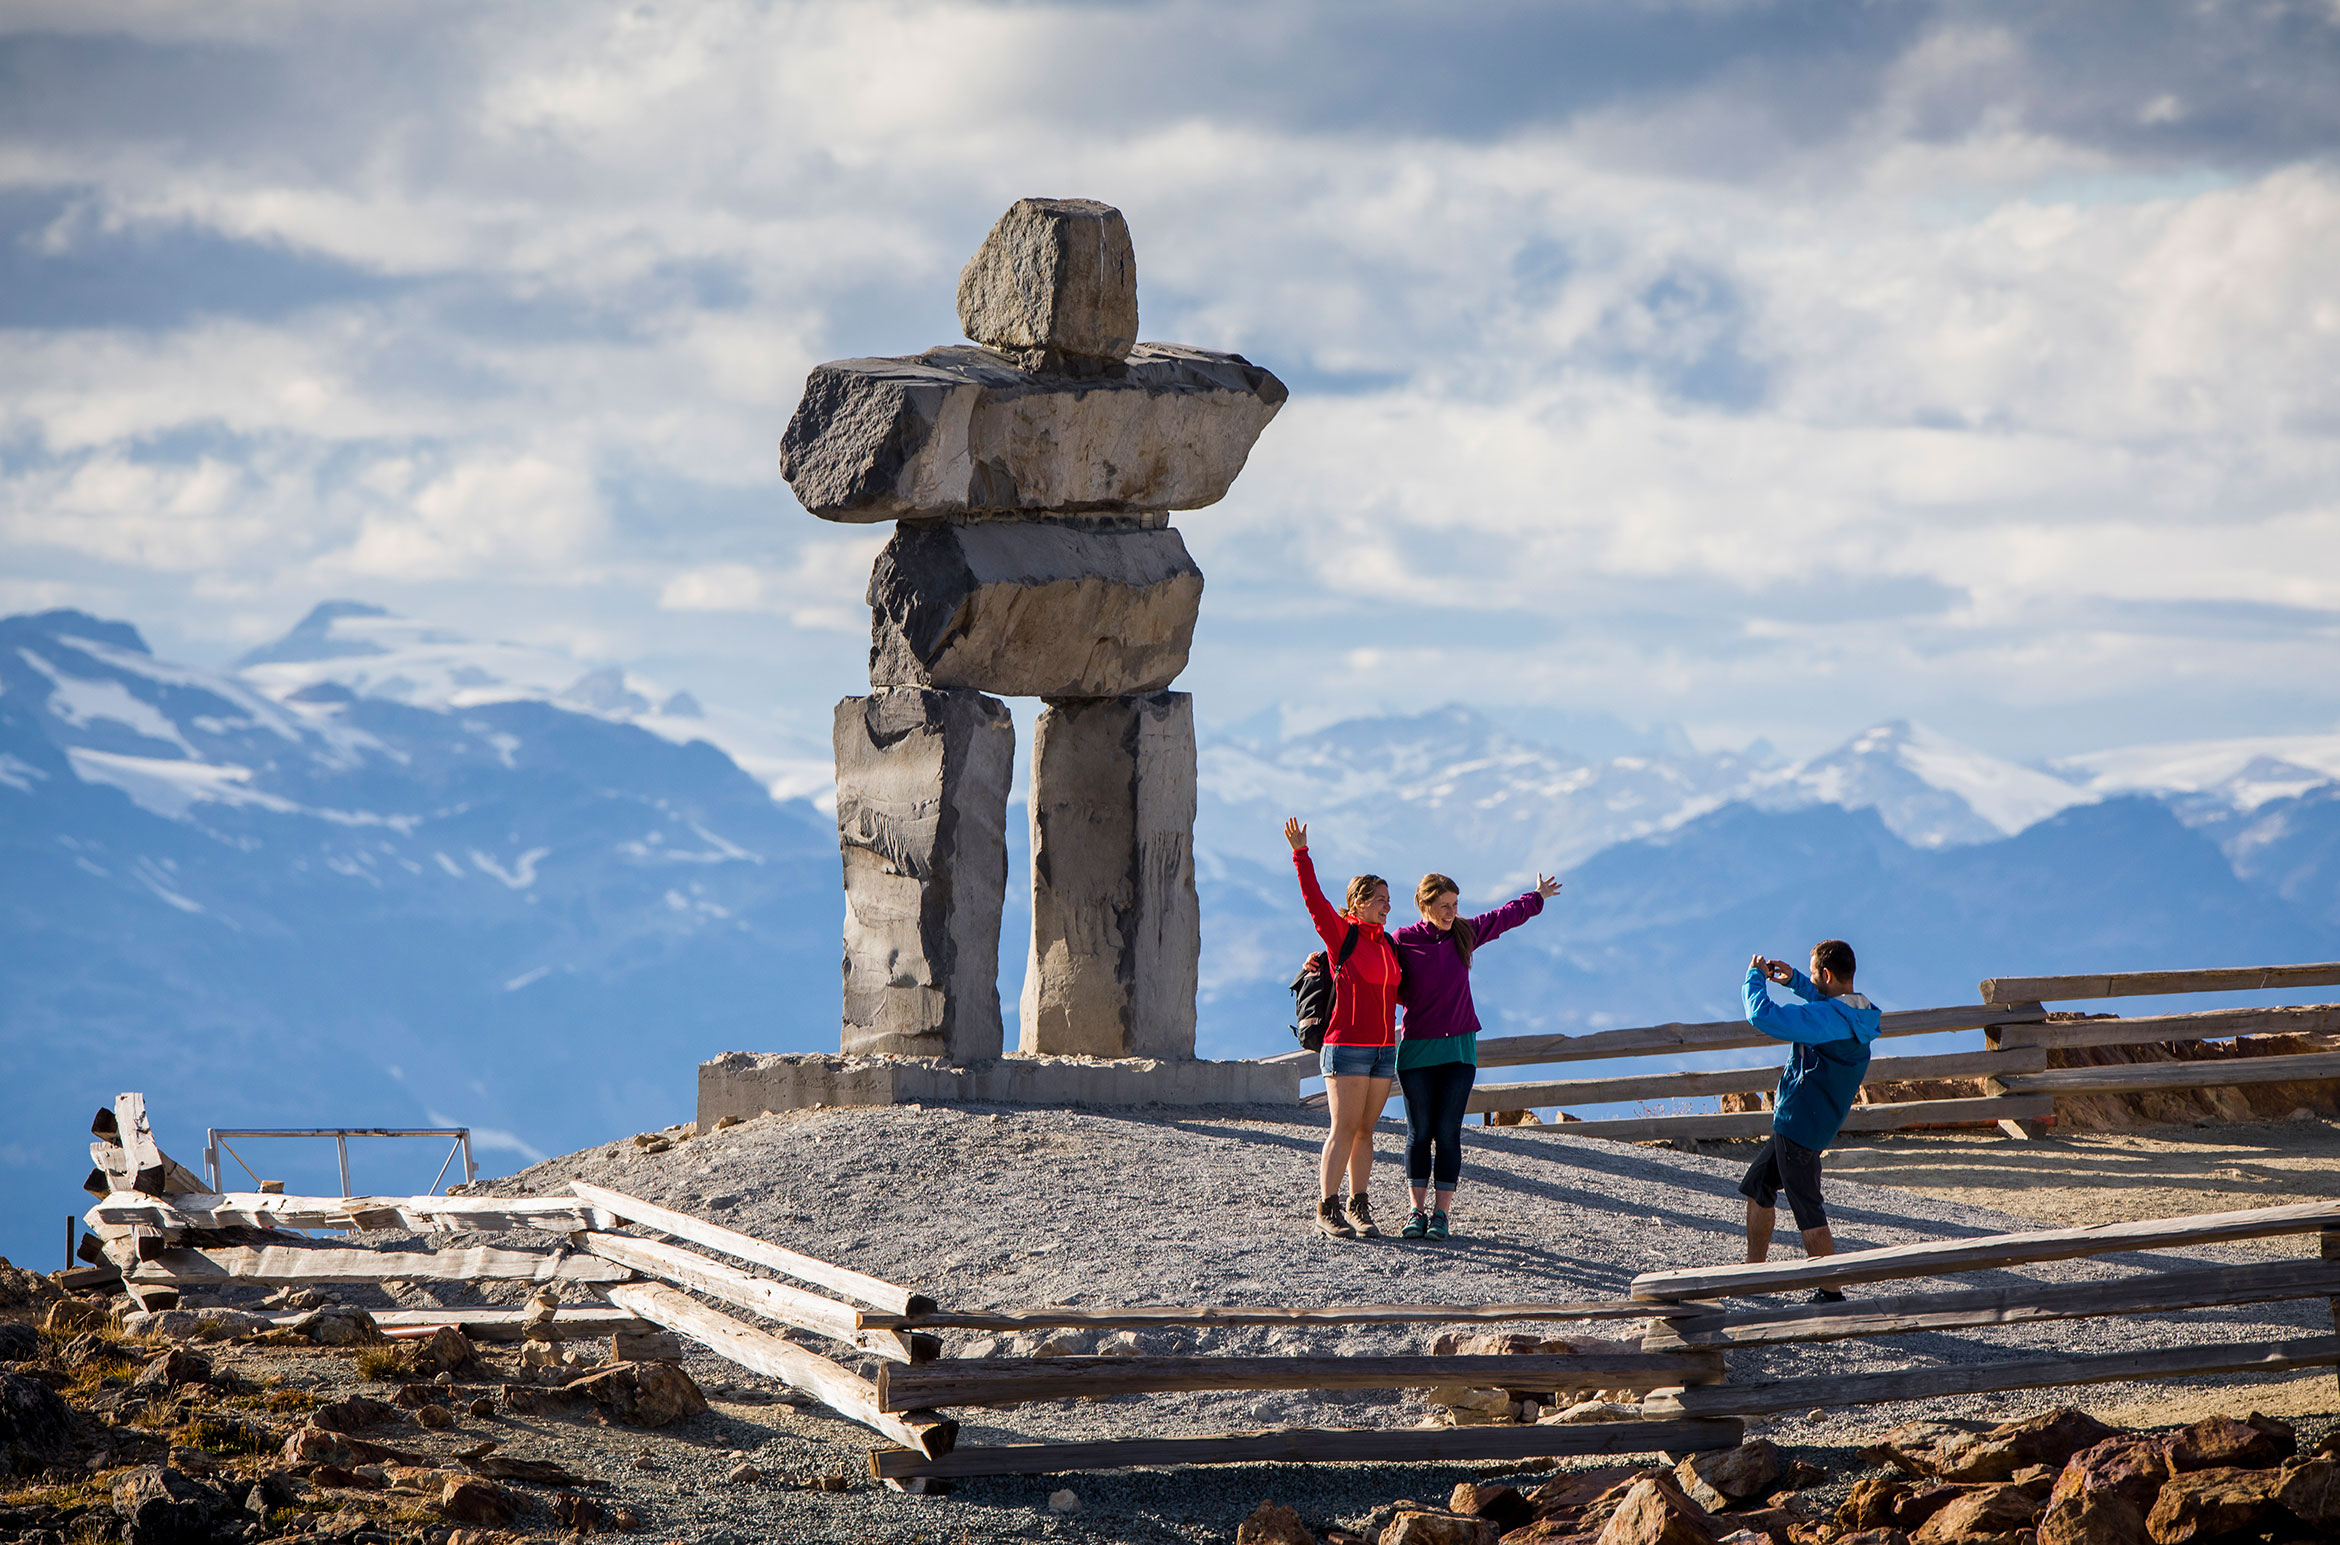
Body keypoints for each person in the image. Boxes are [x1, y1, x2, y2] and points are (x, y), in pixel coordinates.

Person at [1391, 870, 1561, 1240]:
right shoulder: (1402, 940)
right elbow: (1369, 959)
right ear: (1424, 905)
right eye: (1444, 906)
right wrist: (1320, 961)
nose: (1452, 912)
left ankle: (1441, 1215)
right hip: (1418, 1049)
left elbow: (1502, 918)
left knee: (1448, 1133)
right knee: (1420, 1134)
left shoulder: (1463, 934)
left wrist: (1537, 897)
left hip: (1458, 1050)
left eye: (1455, 905)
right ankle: (1415, 1212)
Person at [1740, 939, 1880, 1301]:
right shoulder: (1856, 1014)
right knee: (1759, 1188)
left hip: (1798, 1124)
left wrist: (1754, 979)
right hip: (1809, 1122)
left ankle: (1831, 1291)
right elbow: (1827, 1008)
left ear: (1828, 974)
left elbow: (1763, 1016)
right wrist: (1797, 981)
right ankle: (1755, 1276)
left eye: (1815, 971)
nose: (1813, 977)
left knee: (1808, 1210)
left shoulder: (1828, 1020)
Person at [1285, 817, 1400, 1239]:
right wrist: (1302, 854)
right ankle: (1326, 1206)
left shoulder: (1387, 945)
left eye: (1389, 899)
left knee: (1367, 1132)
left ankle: (1358, 1204)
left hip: (1384, 1049)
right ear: (1358, 903)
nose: (1388, 906)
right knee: (1344, 1128)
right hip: (1346, 1045)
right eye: (1381, 899)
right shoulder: (1343, 936)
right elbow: (1314, 901)